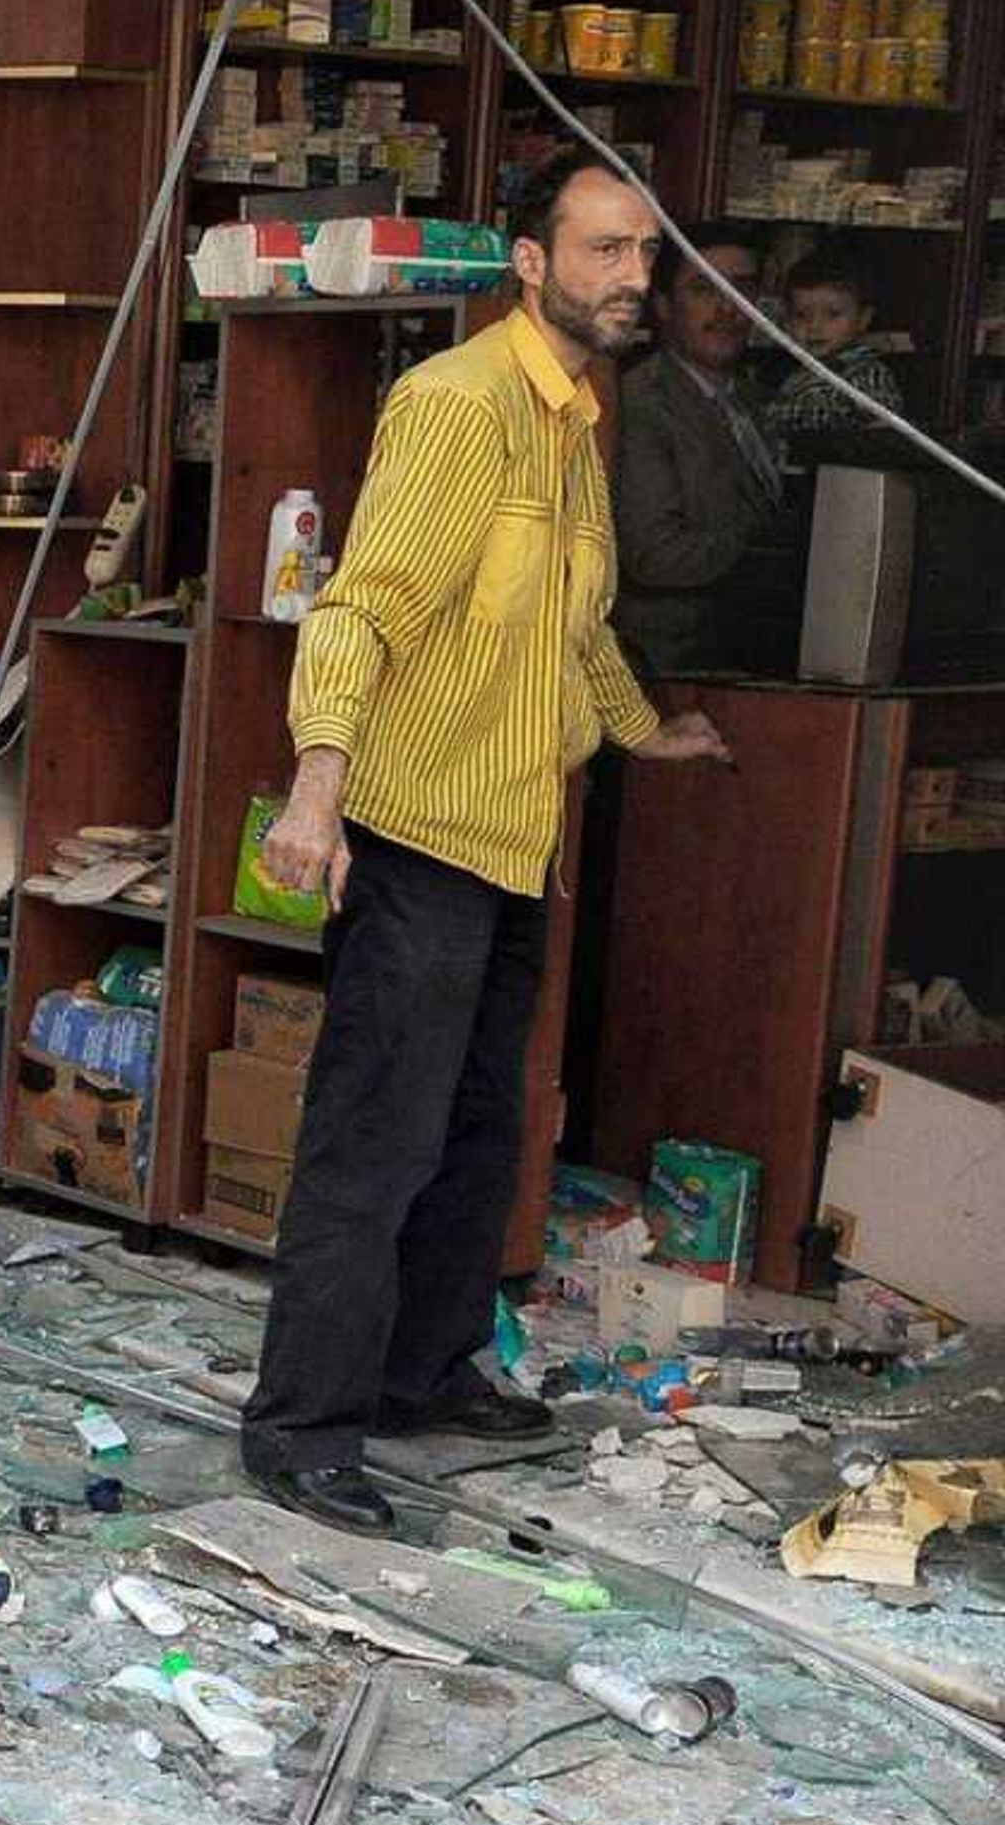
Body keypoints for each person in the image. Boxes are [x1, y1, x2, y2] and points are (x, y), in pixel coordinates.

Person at [237, 149, 734, 1540]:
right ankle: (300, 1426)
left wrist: (644, 732)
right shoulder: (460, 407)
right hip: (416, 836)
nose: (634, 279)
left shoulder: (580, 417)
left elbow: (569, 632)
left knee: (478, 1127)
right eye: (603, 252)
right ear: (532, 264)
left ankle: (418, 1370)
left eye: (645, 254)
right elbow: (362, 610)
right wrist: (315, 790)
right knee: (374, 1140)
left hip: (515, 838)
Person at [612, 231, 786, 679]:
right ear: (664, 305)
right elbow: (655, 555)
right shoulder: (642, 403)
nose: (727, 309)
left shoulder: (750, 397)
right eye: (705, 289)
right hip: (667, 668)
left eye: (741, 290)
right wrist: (785, 556)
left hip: (749, 653)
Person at [761, 252, 907, 465]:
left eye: (833, 314)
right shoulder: (793, 377)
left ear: (863, 319)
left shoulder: (867, 376)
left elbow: (882, 443)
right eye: (801, 315)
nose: (815, 327)